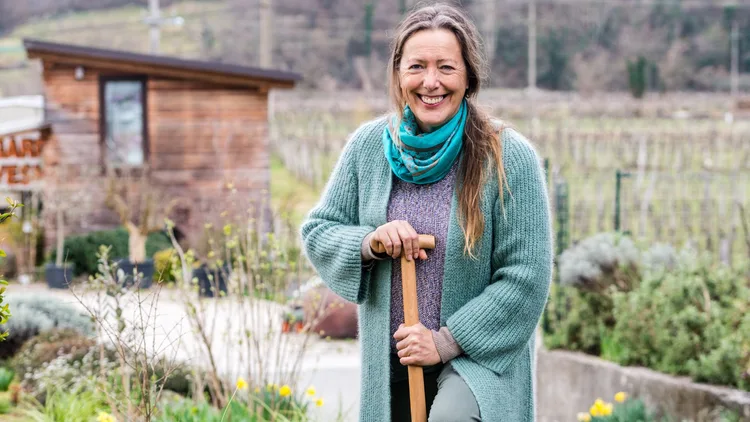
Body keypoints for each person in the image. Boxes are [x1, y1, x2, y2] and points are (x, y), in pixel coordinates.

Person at [301, 3, 553, 421]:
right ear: (399, 75)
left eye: (446, 68)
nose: (431, 82)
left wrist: (445, 342)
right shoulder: (369, 147)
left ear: (468, 76)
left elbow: (526, 276)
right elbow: (319, 231)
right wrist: (370, 242)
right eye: (417, 66)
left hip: (477, 358)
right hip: (393, 362)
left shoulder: (508, 157)